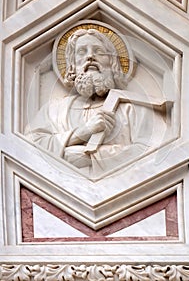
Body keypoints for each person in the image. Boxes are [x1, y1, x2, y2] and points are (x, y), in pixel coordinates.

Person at [25, 29, 167, 178]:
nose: (90, 56)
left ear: (112, 62)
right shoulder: (54, 110)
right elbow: (29, 147)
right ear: (72, 65)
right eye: (81, 51)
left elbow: (154, 151)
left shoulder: (135, 108)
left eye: (99, 51)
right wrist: (83, 132)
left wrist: (90, 158)